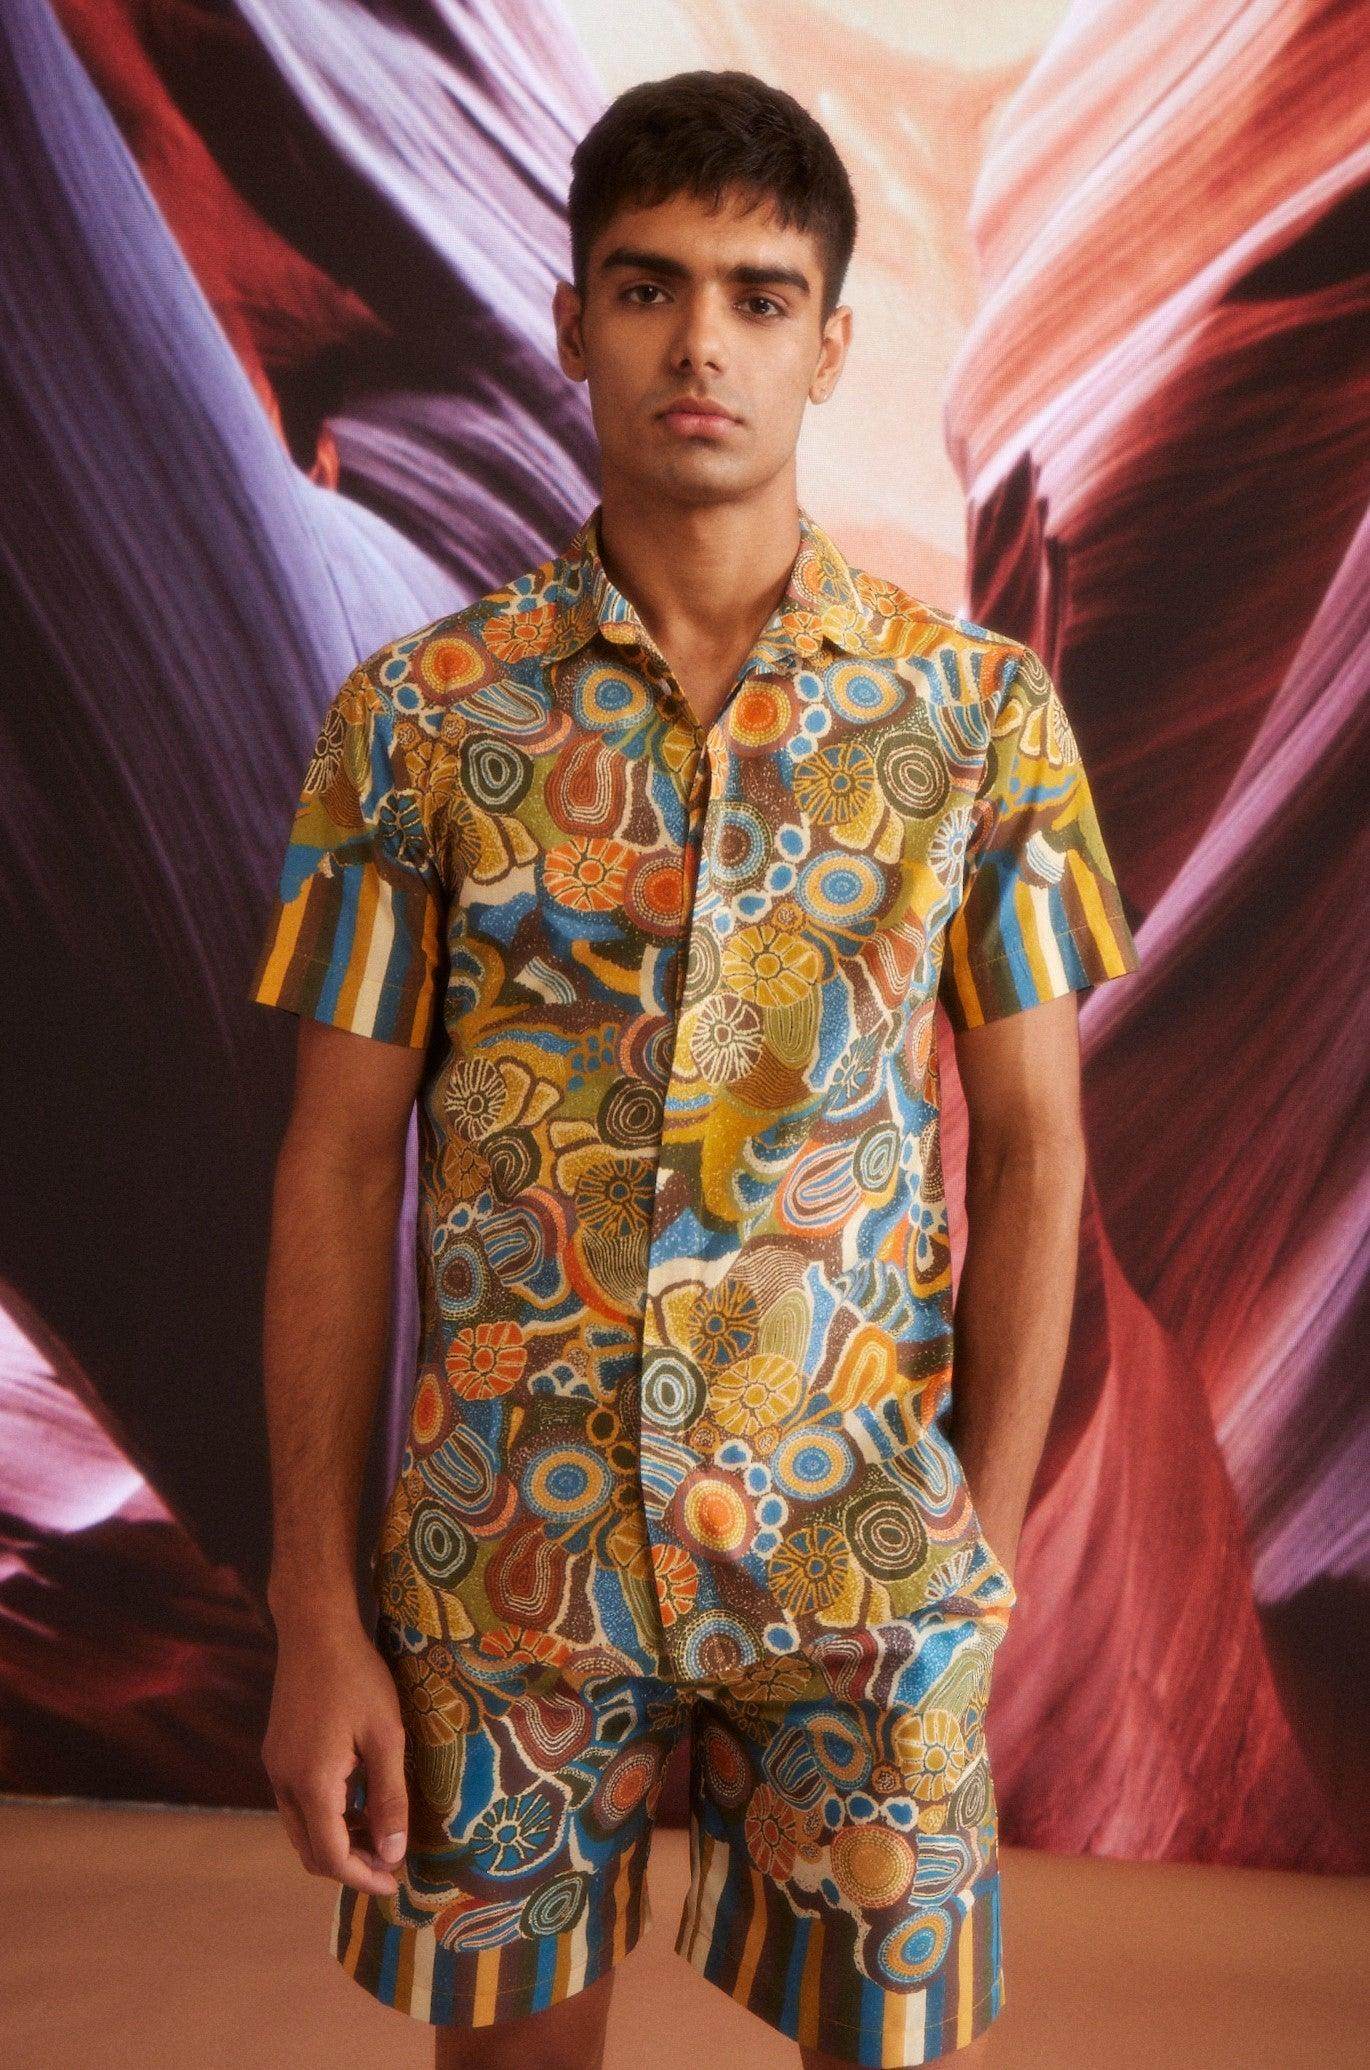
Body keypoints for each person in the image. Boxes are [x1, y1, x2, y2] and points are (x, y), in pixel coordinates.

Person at [249, 67, 1140, 2070]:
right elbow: (334, 1164)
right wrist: (316, 1608)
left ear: (830, 340)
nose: (701, 344)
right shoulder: (417, 721)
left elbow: (1035, 1145)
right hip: (503, 1558)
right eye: (648, 289)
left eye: (758, 295)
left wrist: (978, 1562)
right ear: (573, 324)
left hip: (859, 1559)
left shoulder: (977, 721)